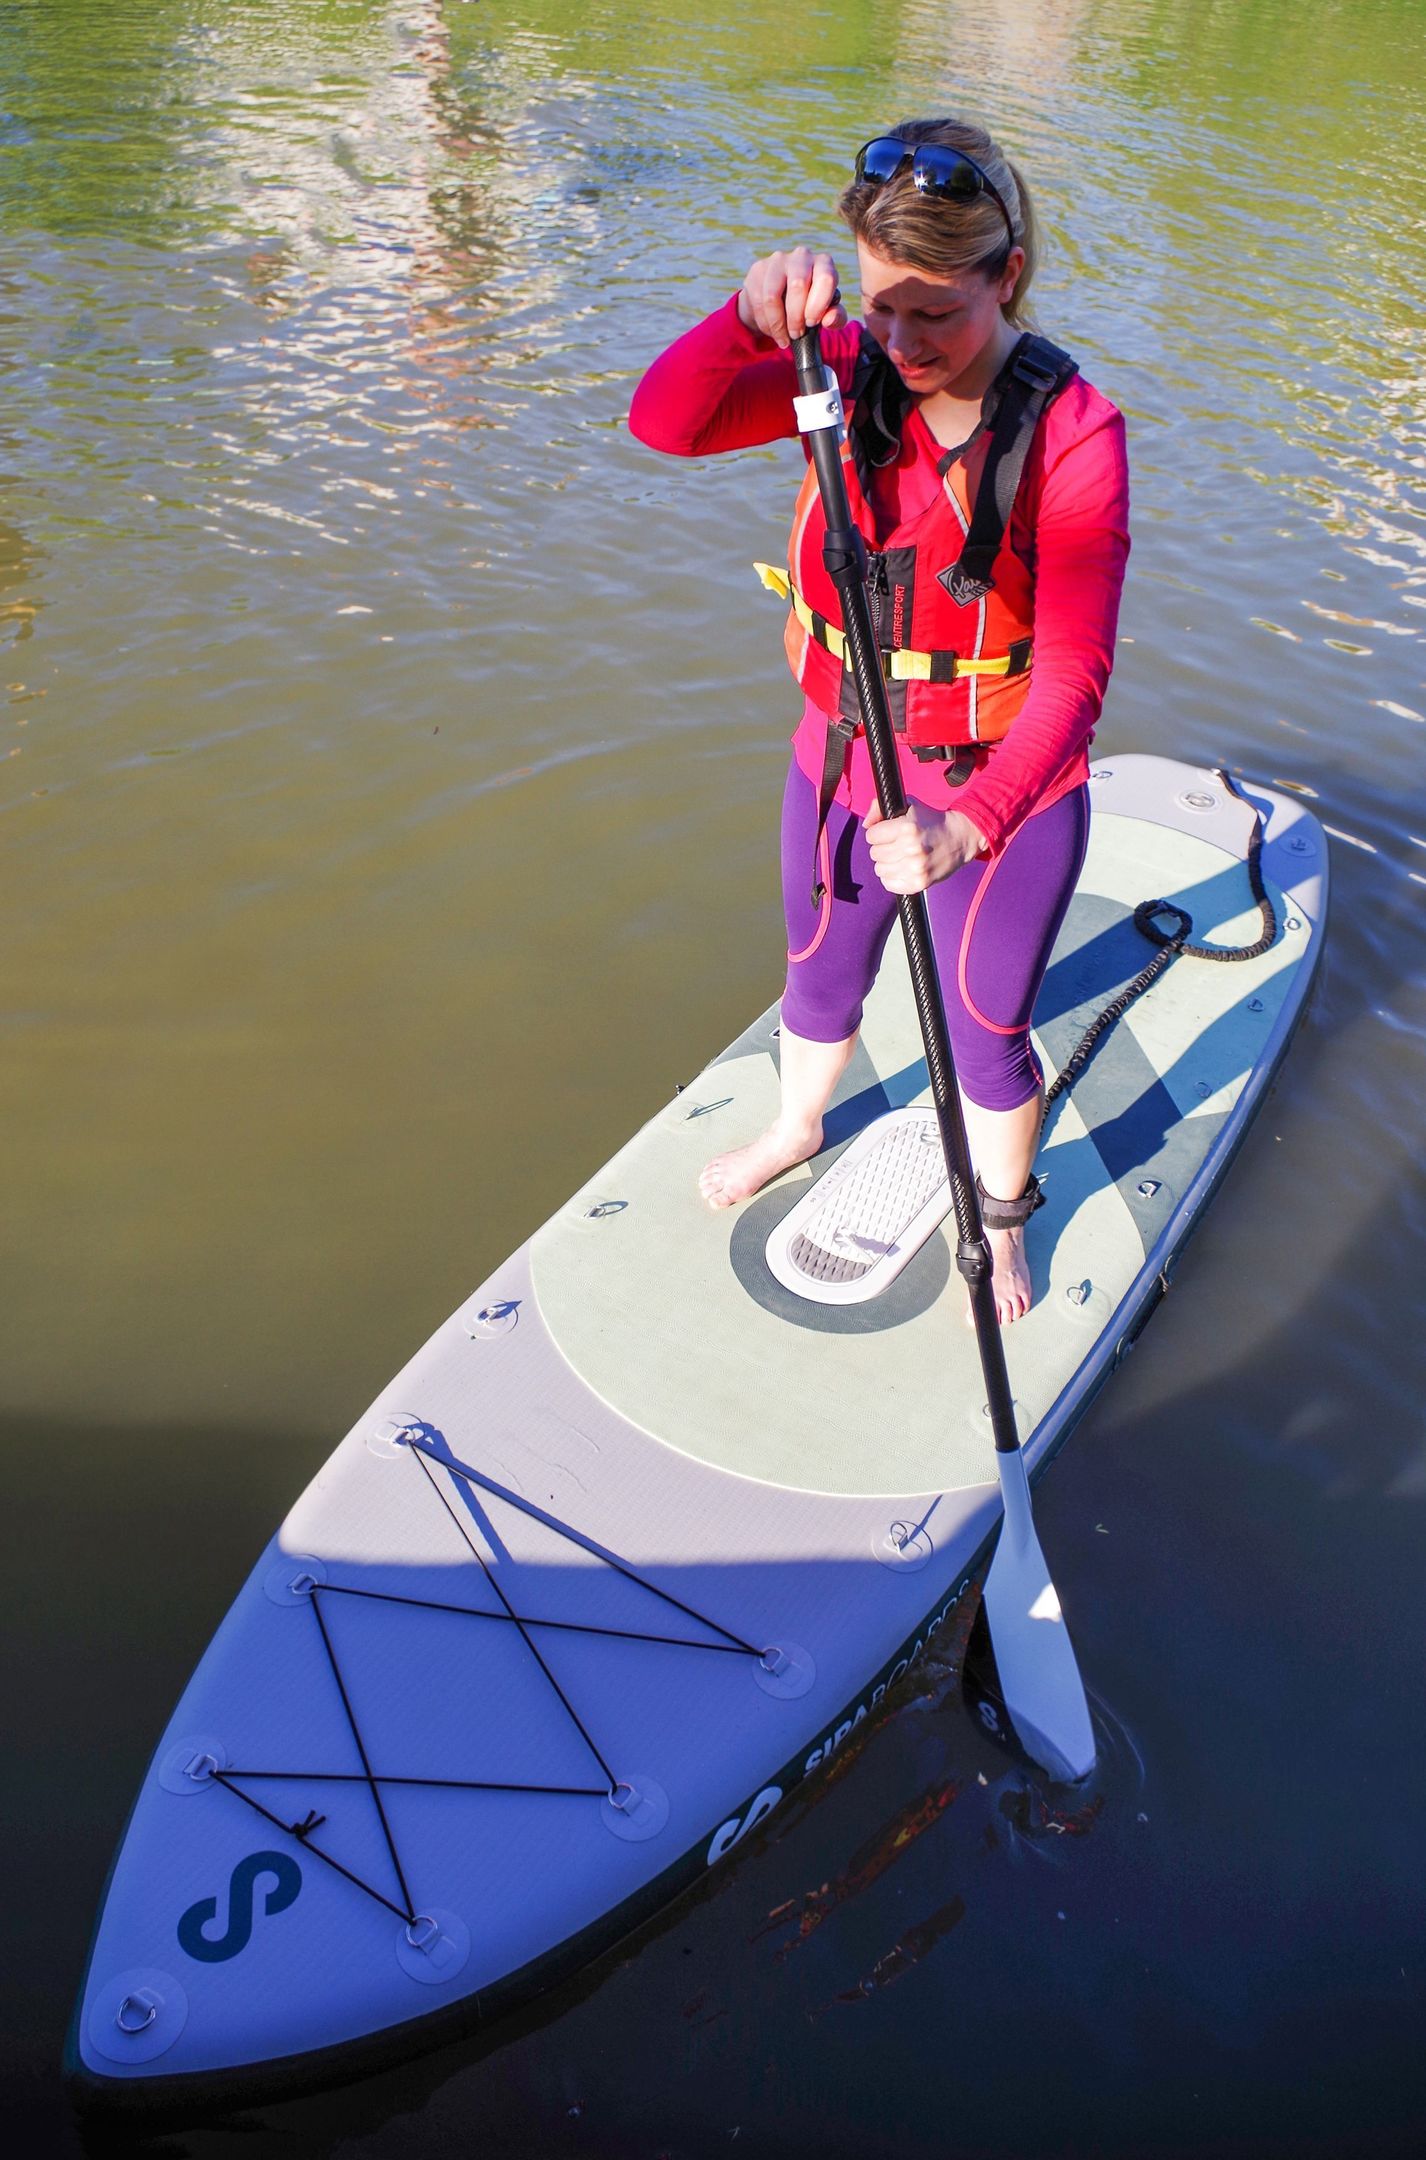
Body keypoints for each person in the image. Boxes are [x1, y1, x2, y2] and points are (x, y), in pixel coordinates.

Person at [629, 117, 1130, 1324]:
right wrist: (742, 323)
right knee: (816, 972)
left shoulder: (1075, 435)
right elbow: (667, 423)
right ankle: (796, 1127)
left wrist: (971, 827)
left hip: (992, 787)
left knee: (985, 1029)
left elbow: (1072, 675)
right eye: (882, 308)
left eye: (937, 316)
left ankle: (1000, 1220)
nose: (900, 343)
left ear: (1005, 275)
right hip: (841, 753)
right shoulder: (836, 369)